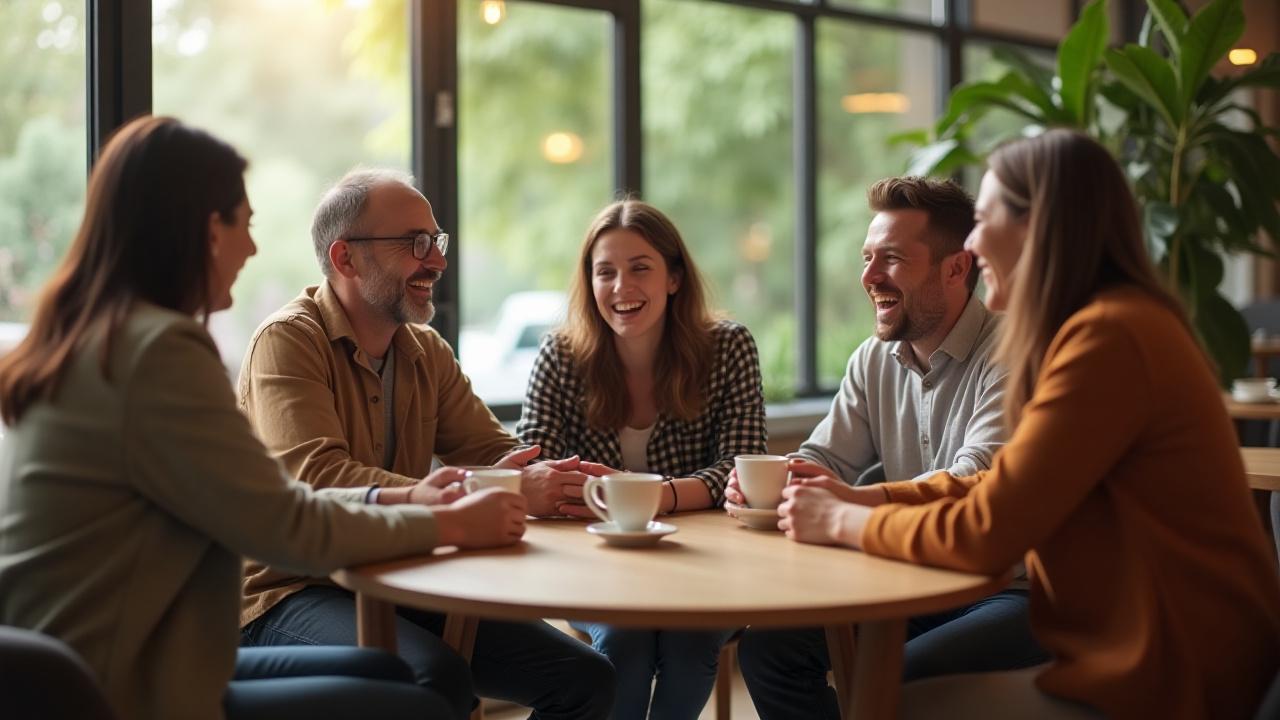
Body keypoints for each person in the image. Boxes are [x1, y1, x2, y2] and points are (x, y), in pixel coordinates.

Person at [0, 116, 529, 720]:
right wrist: (449, 525)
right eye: (243, 225)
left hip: (81, 665)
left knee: (392, 673)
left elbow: (274, 505)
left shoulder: (94, 336)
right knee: (422, 700)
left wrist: (415, 504)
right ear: (202, 229)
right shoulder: (159, 351)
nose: (251, 248)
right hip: (116, 687)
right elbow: (285, 523)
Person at [780, 129, 1280, 718]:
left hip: (1175, 678)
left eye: (984, 216)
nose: (970, 242)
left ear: (1040, 228)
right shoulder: (1103, 326)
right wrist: (867, 500)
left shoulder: (1109, 338)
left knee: (895, 705)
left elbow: (989, 528)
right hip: (1143, 658)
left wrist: (844, 519)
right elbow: (1002, 485)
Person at [237, 168, 613, 719]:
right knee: (433, 681)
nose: (436, 260)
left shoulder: (425, 350)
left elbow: (491, 450)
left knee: (587, 678)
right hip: (287, 590)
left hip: (403, 578)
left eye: (435, 241)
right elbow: (318, 479)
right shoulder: (288, 340)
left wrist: (560, 481)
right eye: (415, 244)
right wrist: (490, 490)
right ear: (345, 259)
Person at [726, 176, 1043, 719]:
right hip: (907, 582)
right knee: (770, 651)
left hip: (1014, 589)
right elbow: (823, 458)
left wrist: (846, 503)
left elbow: (976, 479)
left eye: (892, 259)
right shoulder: (872, 359)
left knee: (893, 678)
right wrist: (780, 479)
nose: (869, 277)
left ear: (956, 267)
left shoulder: (1011, 351)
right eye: (868, 257)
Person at [516, 199, 767, 720]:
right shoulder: (559, 355)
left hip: (703, 563)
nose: (620, 287)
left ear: (674, 277)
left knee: (690, 642)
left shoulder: (729, 346)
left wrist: (655, 495)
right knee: (625, 641)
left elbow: (744, 468)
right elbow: (535, 468)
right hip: (594, 561)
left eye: (640, 269)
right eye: (604, 272)